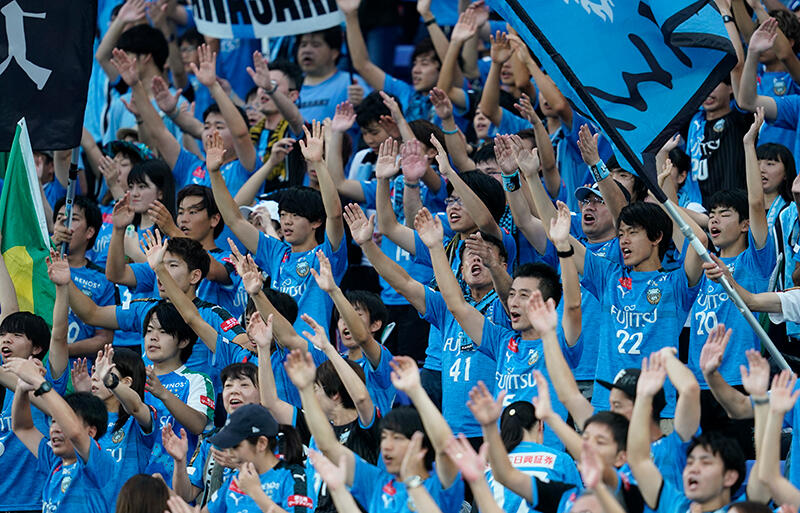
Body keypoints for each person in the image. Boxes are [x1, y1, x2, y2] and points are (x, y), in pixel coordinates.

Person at [207, 123, 347, 336]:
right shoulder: (276, 253)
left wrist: (318, 163)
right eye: (283, 215)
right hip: (276, 348)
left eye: (295, 216)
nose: (287, 222)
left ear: (316, 222)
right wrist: (214, 172)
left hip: (313, 350)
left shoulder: (328, 255)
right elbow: (234, 220)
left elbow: (335, 214)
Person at [287, 349, 464, 513]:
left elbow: (445, 446)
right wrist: (305, 390)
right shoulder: (377, 483)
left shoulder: (440, 487)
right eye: (384, 437)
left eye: (396, 438)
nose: (386, 445)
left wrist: (416, 392)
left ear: (419, 445)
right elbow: (328, 446)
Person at [627, 352, 749, 513]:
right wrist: (644, 396)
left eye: (706, 463)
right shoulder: (677, 506)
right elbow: (638, 460)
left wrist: (666, 356)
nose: (693, 469)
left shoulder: (742, 511)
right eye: (690, 463)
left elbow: (690, 389)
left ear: (729, 476)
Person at [0, 248, 69, 512]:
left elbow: (59, 334)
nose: (6, 340)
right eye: (3, 336)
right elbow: (8, 309)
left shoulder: (47, 378)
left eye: (16, 336)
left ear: (37, 347)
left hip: (34, 500)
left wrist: (61, 288)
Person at [6, 356, 116, 513]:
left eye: (63, 423)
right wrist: (22, 387)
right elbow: (22, 428)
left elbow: (76, 433)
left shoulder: (99, 462)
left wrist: (38, 381)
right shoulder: (54, 461)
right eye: (53, 421)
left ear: (91, 432)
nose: (55, 429)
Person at [165, 363, 263, 507]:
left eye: (244, 385)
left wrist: (239, 466)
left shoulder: (271, 438)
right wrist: (179, 461)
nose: (234, 391)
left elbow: (279, 486)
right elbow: (186, 494)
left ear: (263, 394)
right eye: (228, 386)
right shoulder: (211, 441)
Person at [203, 404, 310, 513]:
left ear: (261, 443)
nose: (229, 453)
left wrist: (255, 493)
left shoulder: (292, 476)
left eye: (235, 446)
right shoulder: (237, 477)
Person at [50, 195, 116, 358]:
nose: (64, 223)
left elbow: (104, 338)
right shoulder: (38, 263)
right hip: (33, 364)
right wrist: (50, 244)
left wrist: (59, 350)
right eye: (59, 218)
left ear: (90, 232)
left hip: (77, 368)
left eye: (73, 219)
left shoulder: (102, 279)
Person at [89, 344, 156, 499]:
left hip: (128, 506)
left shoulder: (136, 419)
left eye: (105, 371)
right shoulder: (88, 421)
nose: (95, 377)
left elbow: (136, 407)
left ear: (126, 382)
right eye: (94, 371)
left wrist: (109, 381)